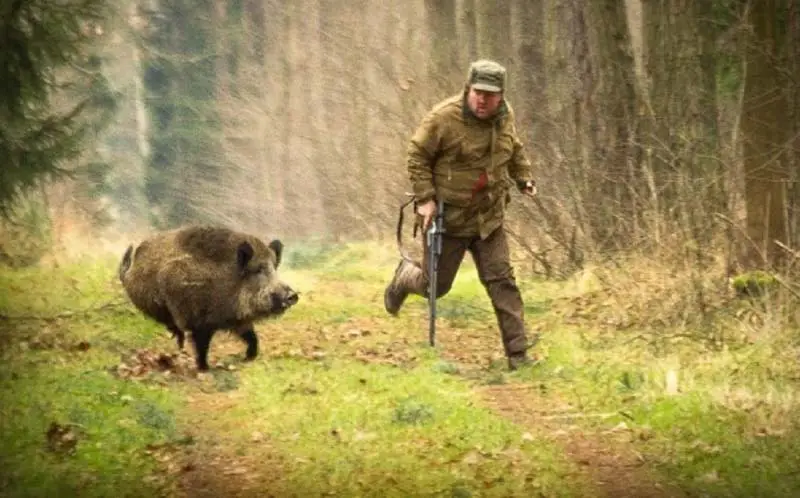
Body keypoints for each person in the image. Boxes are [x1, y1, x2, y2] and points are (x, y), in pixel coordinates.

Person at [383, 59, 539, 371]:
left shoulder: (505, 118)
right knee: (435, 287)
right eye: (478, 92)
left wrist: (523, 178)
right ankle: (405, 277)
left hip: (488, 218)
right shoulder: (443, 118)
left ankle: (518, 355)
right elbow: (417, 155)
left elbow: (515, 149)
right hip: (447, 220)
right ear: (468, 89)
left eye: (490, 95)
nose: (483, 100)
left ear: (501, 96)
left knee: (502, 281)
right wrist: (425, 199)